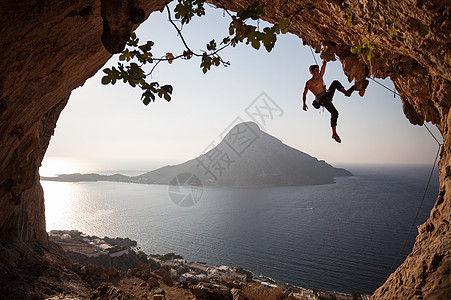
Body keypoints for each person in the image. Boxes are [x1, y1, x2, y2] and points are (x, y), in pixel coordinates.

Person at [302, 58, 362, 143]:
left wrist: (325, 58)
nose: (318, 72)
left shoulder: (320, 77)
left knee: (335, 82)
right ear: (311, 72)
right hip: (322, 99)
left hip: (327, 94)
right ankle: (334, 133)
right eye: (316, 71)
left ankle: (346, 92)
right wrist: (304, 104)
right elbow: (304, 93)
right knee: (335, 113)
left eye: (318, 70)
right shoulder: (309, 82)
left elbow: (324, 65)